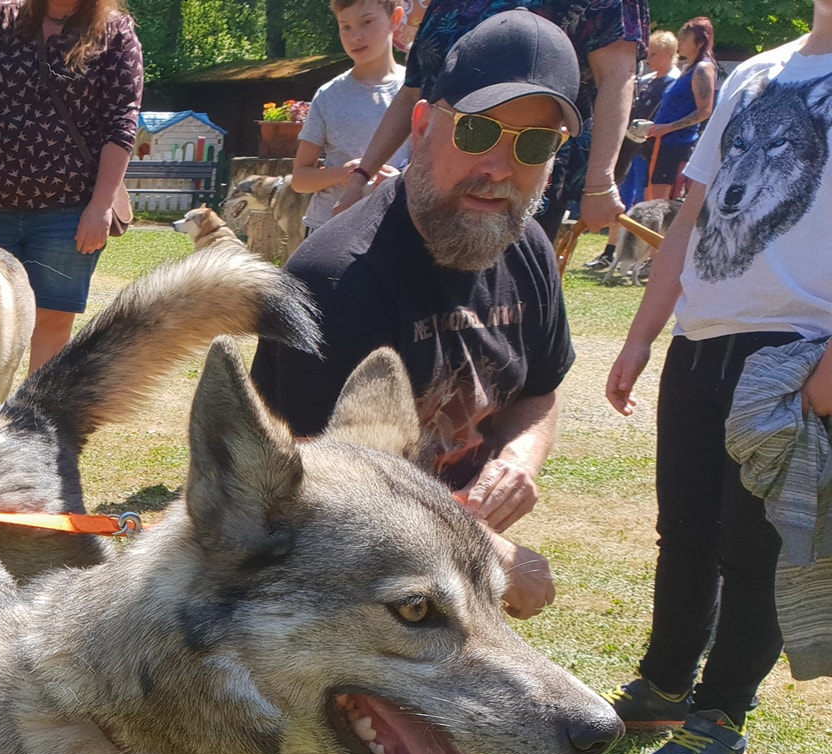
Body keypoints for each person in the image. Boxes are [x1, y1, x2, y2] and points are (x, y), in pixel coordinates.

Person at [253, 10, 585, 644]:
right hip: (309, 587)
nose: (500, 166)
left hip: (435, 575)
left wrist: (518, 460)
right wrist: (485, 548)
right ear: (425, 123)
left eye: (533, 144)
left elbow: (541, 389)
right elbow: (325, 488)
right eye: (480, 130)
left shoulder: (530, 251)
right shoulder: (336, 277)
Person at [603, 2, 832, 754]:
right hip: (702, 342)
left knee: (754, 545)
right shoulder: (755, 72)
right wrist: (642, 335)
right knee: (686, 531)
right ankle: (664, 685)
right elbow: (695, 212)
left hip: (798, 350)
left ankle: (722, 713)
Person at [333, 0, 646, 239]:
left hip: (519, 176)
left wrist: (600, 184)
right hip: (435, 176)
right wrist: (361, 177)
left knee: (498, 308)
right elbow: (413, 91)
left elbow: (618, 74)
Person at [0, 0, 143, 371]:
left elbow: (122, 124)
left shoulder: (115, 32)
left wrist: (100, 206)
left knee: (51, 322)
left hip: (70, 212)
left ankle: (31, 423)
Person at [291, 0, 411, 232]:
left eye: (366, 22)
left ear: (395, 19)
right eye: (345, 27)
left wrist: (402, 179)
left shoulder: (415, 92)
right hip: (328, 228)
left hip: (393, 228)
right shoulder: (328, 96)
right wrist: (342, 174)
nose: (355, 36)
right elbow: (299, 179)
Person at [638, 15, 715, 200]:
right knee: (651, 199)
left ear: (699, 41)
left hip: (677, 146)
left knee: (660, 204)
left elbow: (705, 111)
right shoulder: (688, 68)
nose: (680, 42)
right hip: (663, 144)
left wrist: (666, 128)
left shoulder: (703, 69)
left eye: (685, 38)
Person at [613, 27, 676, 211]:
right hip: (634, 141)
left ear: (669, 53)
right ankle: (616, 235)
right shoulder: (646, 80)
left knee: (644, 195)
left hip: (653, 147)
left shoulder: (674, 81)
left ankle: (638, 233)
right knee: (622, 188)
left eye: (655, 54)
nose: (649, 59)